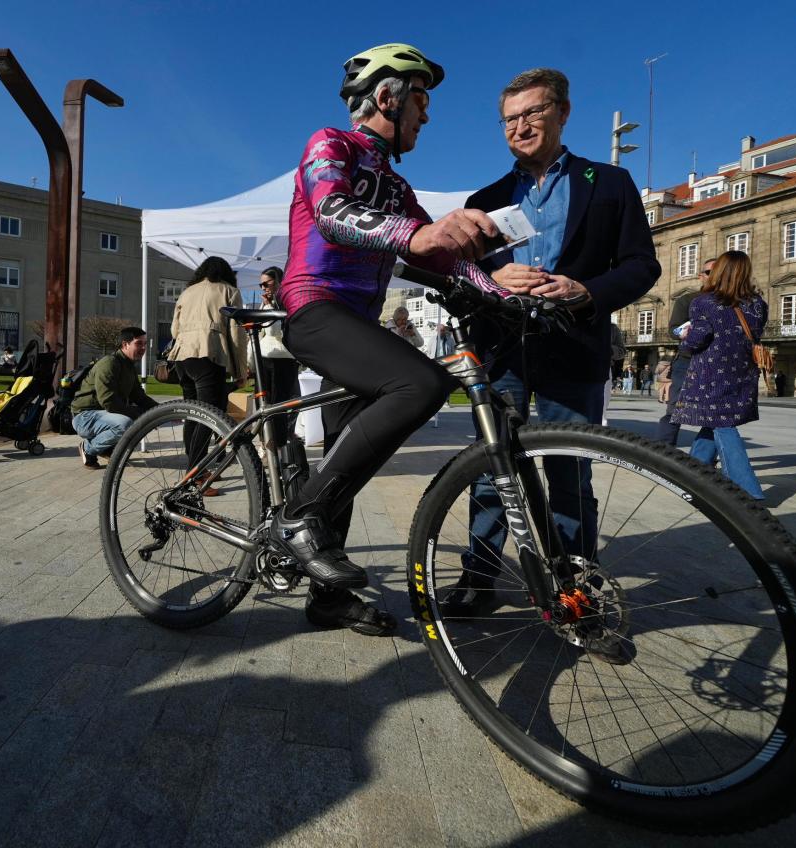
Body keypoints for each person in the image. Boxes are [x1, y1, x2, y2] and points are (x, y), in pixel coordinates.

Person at [273, 43, 509, 636]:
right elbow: (331, 212)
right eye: (421, 101)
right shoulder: (330, 144)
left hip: (355, 322)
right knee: (421, 381)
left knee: (347, 451)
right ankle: (300, 516)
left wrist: (507, 293)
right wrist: (418, 236)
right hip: (313, 307)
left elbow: (438, 257)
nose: (426, 116)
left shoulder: (397, 186)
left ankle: (327, 599)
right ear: (386, 97)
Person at [443, 66, 660, 637]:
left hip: (573, 344)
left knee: (570, 471)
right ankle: (480, 577)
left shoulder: (609, 182)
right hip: (504, 350)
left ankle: (577, 585)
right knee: (493, 471)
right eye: (510, 119)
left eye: (532, 114)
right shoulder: (485, 199)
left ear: (562, 113)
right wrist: (494, 274)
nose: (521, 127)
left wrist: (587, 290)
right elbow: (464, 272)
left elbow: (642, 264)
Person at [671, 250, 767, 500]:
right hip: (743, 372)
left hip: (711, 374)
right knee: (712, 423)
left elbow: (698, 339)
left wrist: (685, 338)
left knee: (723, 425)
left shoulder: (704, 302)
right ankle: (690, 479)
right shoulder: (757, 304)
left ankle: (748, 493)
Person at [169, 257, 248, 493]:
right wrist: (241, 370)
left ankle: (194, 470)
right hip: (208, 353)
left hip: (182, 356)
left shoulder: (187, 292)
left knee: (193, 414)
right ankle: (197, 475)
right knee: (208, 414)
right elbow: (237, 333)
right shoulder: (228, 291)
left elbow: (174, 328)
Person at [71, 327, 157, 469]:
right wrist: (140, 415)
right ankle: (88, 448)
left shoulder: (128, 366)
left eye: (145, 344)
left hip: (104, 415)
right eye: (138, 343)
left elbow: (139, 396)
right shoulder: (109, 363)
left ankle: (107, 449)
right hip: (84, 417)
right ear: (125, 344)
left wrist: (161, 411)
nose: (143, 348)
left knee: (141, 420)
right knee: (126, 424)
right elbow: (109, 402)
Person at [657, 257, 714, 445]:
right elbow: (673, 329)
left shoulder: (729, 302)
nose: (714, 276)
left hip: (716, 363)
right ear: (701, 276)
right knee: (675, 411)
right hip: (687, 361)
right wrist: (685, 331)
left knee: (715, 415)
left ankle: (704, 459)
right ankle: (664, 456)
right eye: (708, 272)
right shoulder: (687, 300)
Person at [252, 266, 299, 448]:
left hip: (282, 359)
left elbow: (273, 330)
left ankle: (277, 444)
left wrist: (270, 306)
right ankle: (266, 443)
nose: (263, 287)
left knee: (279, 404)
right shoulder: (266, 303)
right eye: (261, 284)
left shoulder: (286, 302)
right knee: (263, 402)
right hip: (265, 358)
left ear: (278, 281)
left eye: (266, 283)